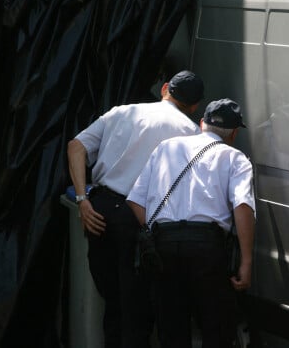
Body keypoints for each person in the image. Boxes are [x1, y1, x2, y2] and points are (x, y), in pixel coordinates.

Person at [66, 70, 205, 348]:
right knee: (137, 307)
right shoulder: (190, 131)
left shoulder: (122, 111)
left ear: (165, 88)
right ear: (195, 106)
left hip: (100, 212)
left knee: (112, 300)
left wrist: (83, 199)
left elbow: (76, 146)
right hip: (142, 219)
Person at [126, 98, 256, 348]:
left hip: (163, 244)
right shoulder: (235, 158)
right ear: (234, 133)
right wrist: (246, 262)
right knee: (215, 329)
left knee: (172, 331)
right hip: (207, 247)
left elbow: (135, 201)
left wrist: (157, 234)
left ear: (201, 123)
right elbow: (243, 206)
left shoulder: (165, 148)